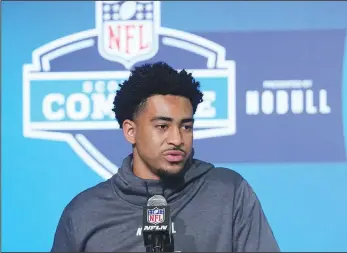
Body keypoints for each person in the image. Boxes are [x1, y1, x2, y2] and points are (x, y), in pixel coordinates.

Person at [51, 62, 280, 252]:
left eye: (186, 127)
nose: (177, 139)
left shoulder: (229, 193)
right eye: (162, 126)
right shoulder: (84, 213)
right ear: (131, 131)